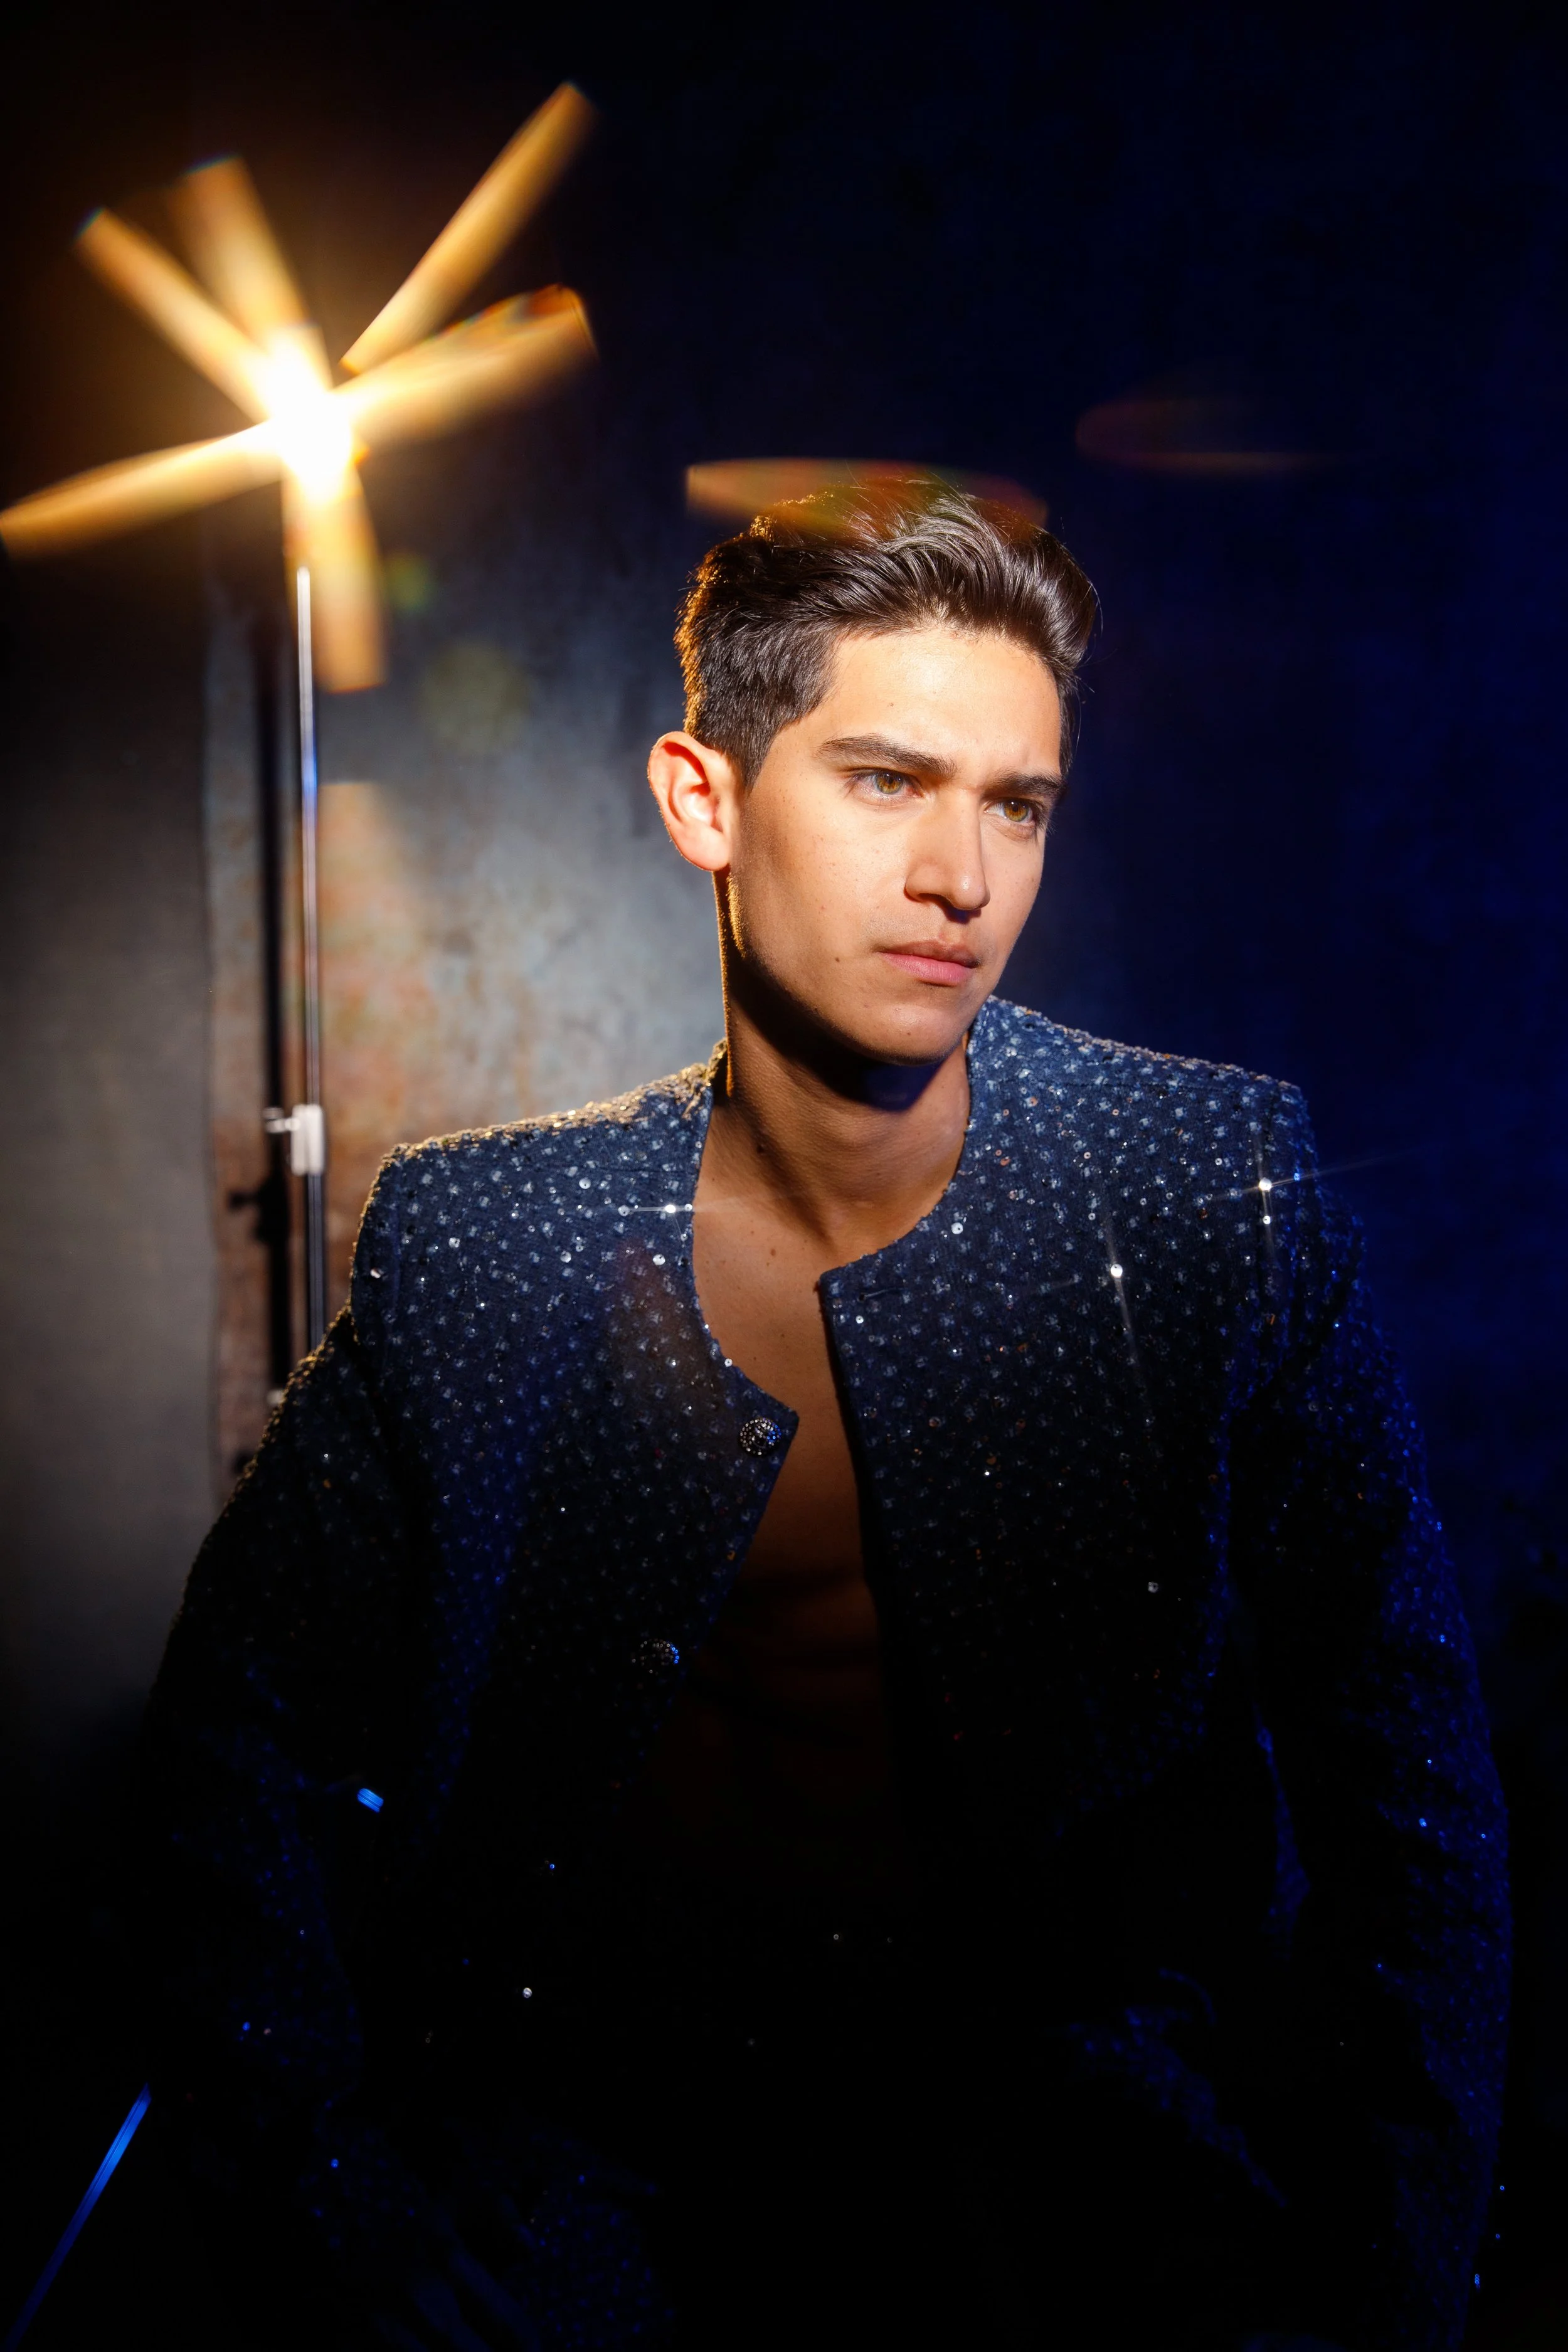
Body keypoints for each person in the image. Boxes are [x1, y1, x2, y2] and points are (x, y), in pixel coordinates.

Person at [141, 482, 1508, 2352]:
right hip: (593, 2188)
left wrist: (1394, 2284)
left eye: (1013, 804)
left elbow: (1409, 1776)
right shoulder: (495, 1240)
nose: (963, 875)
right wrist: (329, 2203)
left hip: (1096, 2195)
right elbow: (236, 1739)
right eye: (884, 779)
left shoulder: (1206, 1189)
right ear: (705, 796)